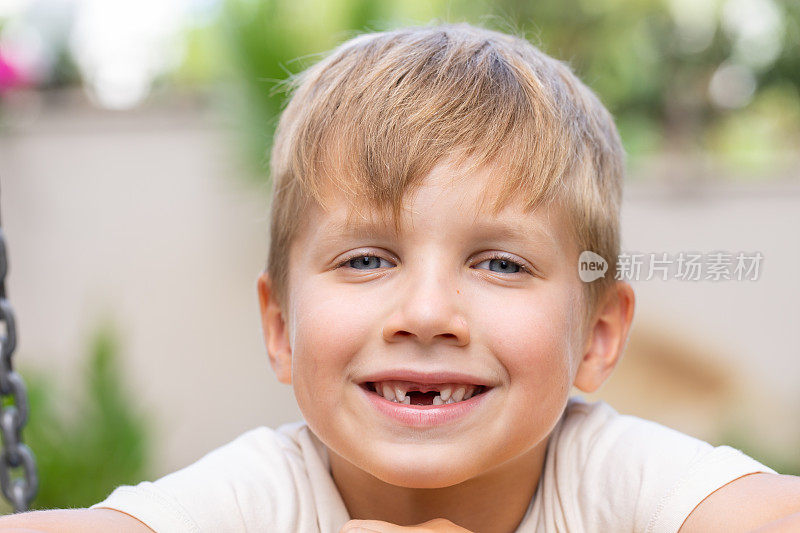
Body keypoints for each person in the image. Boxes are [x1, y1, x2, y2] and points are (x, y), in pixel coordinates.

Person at [2, 22, 799, 533]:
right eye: (367, 259)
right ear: (280, 328)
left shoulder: (613, 475)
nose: (426, 312)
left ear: (596, 335)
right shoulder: (263, 495)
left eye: (499, 262)